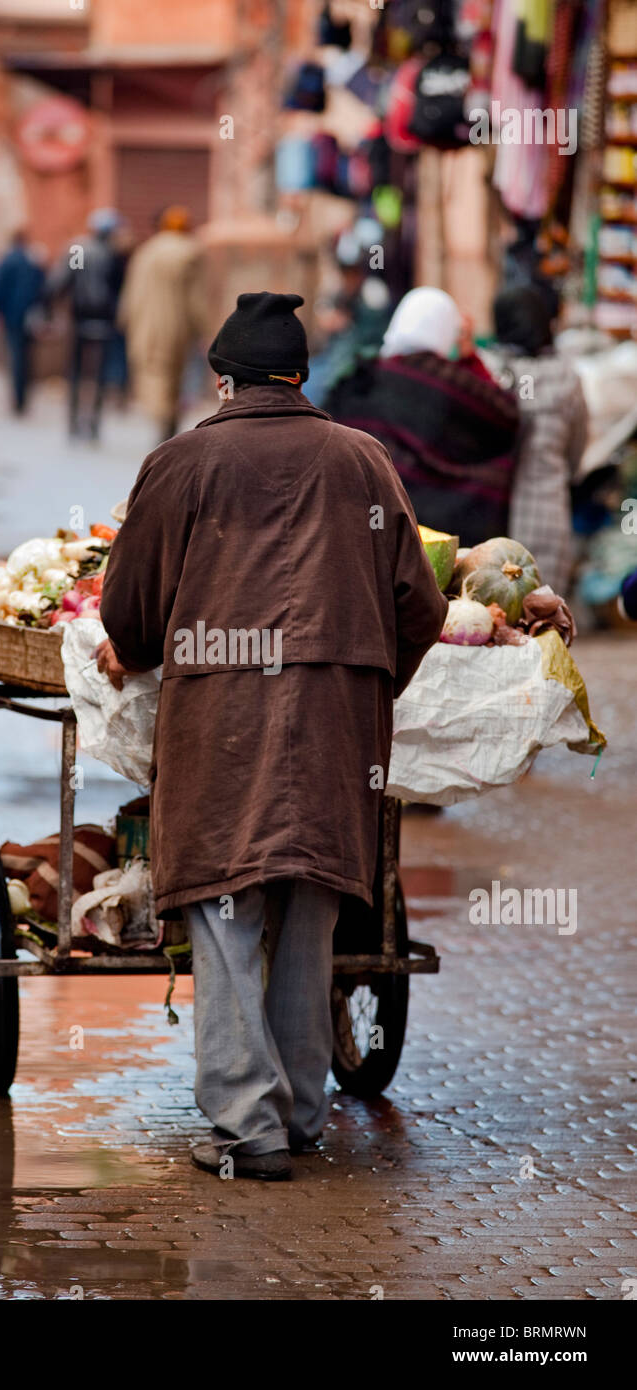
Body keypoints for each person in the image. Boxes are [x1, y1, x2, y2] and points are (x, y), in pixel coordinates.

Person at [96, 291, 447, 1181]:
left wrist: (138, 647)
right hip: (339, 735)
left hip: (222, 727)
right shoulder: (363, 461)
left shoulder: (181, 463)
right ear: (299, 376)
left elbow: (130, 618)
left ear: (223, 382)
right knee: (309, 916)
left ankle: (249, 1129)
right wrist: (365, 684)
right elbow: (421, 606)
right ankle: (295, 1117)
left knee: (224, 911)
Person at [325, 286, 520, 547]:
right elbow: (505, 417)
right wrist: (470, 357)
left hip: (370, 533)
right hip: (440, 540)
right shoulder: (453, 383)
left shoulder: (364, 380)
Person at [483, 284, 588, 596]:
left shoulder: (492, 372)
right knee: (546, 620)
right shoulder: (567, 376)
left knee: (497, 625)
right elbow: (576, 450)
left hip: (494, 517)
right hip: (549, 512)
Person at [118, 205, 209, 442]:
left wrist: (126, 320)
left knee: (154, 376)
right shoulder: (190, 251)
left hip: (145, 326)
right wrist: (205, 329)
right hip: (177, 326)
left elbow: (130, 294)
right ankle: (168, 430)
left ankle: (161, 428)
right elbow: (196, 298)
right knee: (175, 378)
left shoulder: (145, 252)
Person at [47, 208, 126, 439]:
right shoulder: (112, 254)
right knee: (98, 374)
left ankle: (73, 423)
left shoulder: (80, 249)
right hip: (104, 319)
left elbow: (62, 280)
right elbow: (118, 289)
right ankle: (93, 424)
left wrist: (48, 305)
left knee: (76, 372)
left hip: (80, 318)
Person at [0, 229, 45, 415]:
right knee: (26, 359)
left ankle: (18, 399)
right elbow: (42, 288)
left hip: (12, 317)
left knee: (16, 358)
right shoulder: (33, 260)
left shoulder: (8, 261)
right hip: (29, 317)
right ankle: (23, 398)